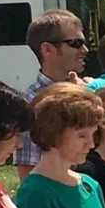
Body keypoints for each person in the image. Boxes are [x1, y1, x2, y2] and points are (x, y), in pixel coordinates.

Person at [10, 9, 88, 170]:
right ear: (47, 49)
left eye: (86, 42)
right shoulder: (30, 104)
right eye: (75, 43)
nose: (85, 50)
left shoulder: (88, 92)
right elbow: (28, 172)